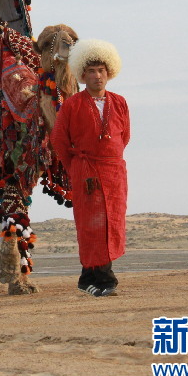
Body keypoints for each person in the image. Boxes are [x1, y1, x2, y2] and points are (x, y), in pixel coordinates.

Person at [51, 39, 130, 297]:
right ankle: (105, 281)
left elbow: (124, 137)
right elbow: (59, 140)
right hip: (86, 172)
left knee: (112, 222)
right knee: (92, 225)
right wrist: (76, 167)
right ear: (83, 75)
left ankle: (87, 279)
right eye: (92, 71)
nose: (97, 76)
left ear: (109, 72)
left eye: (101, 70)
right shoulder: (72, 104)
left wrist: (109, 157)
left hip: (114, 172)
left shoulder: (120, 103)